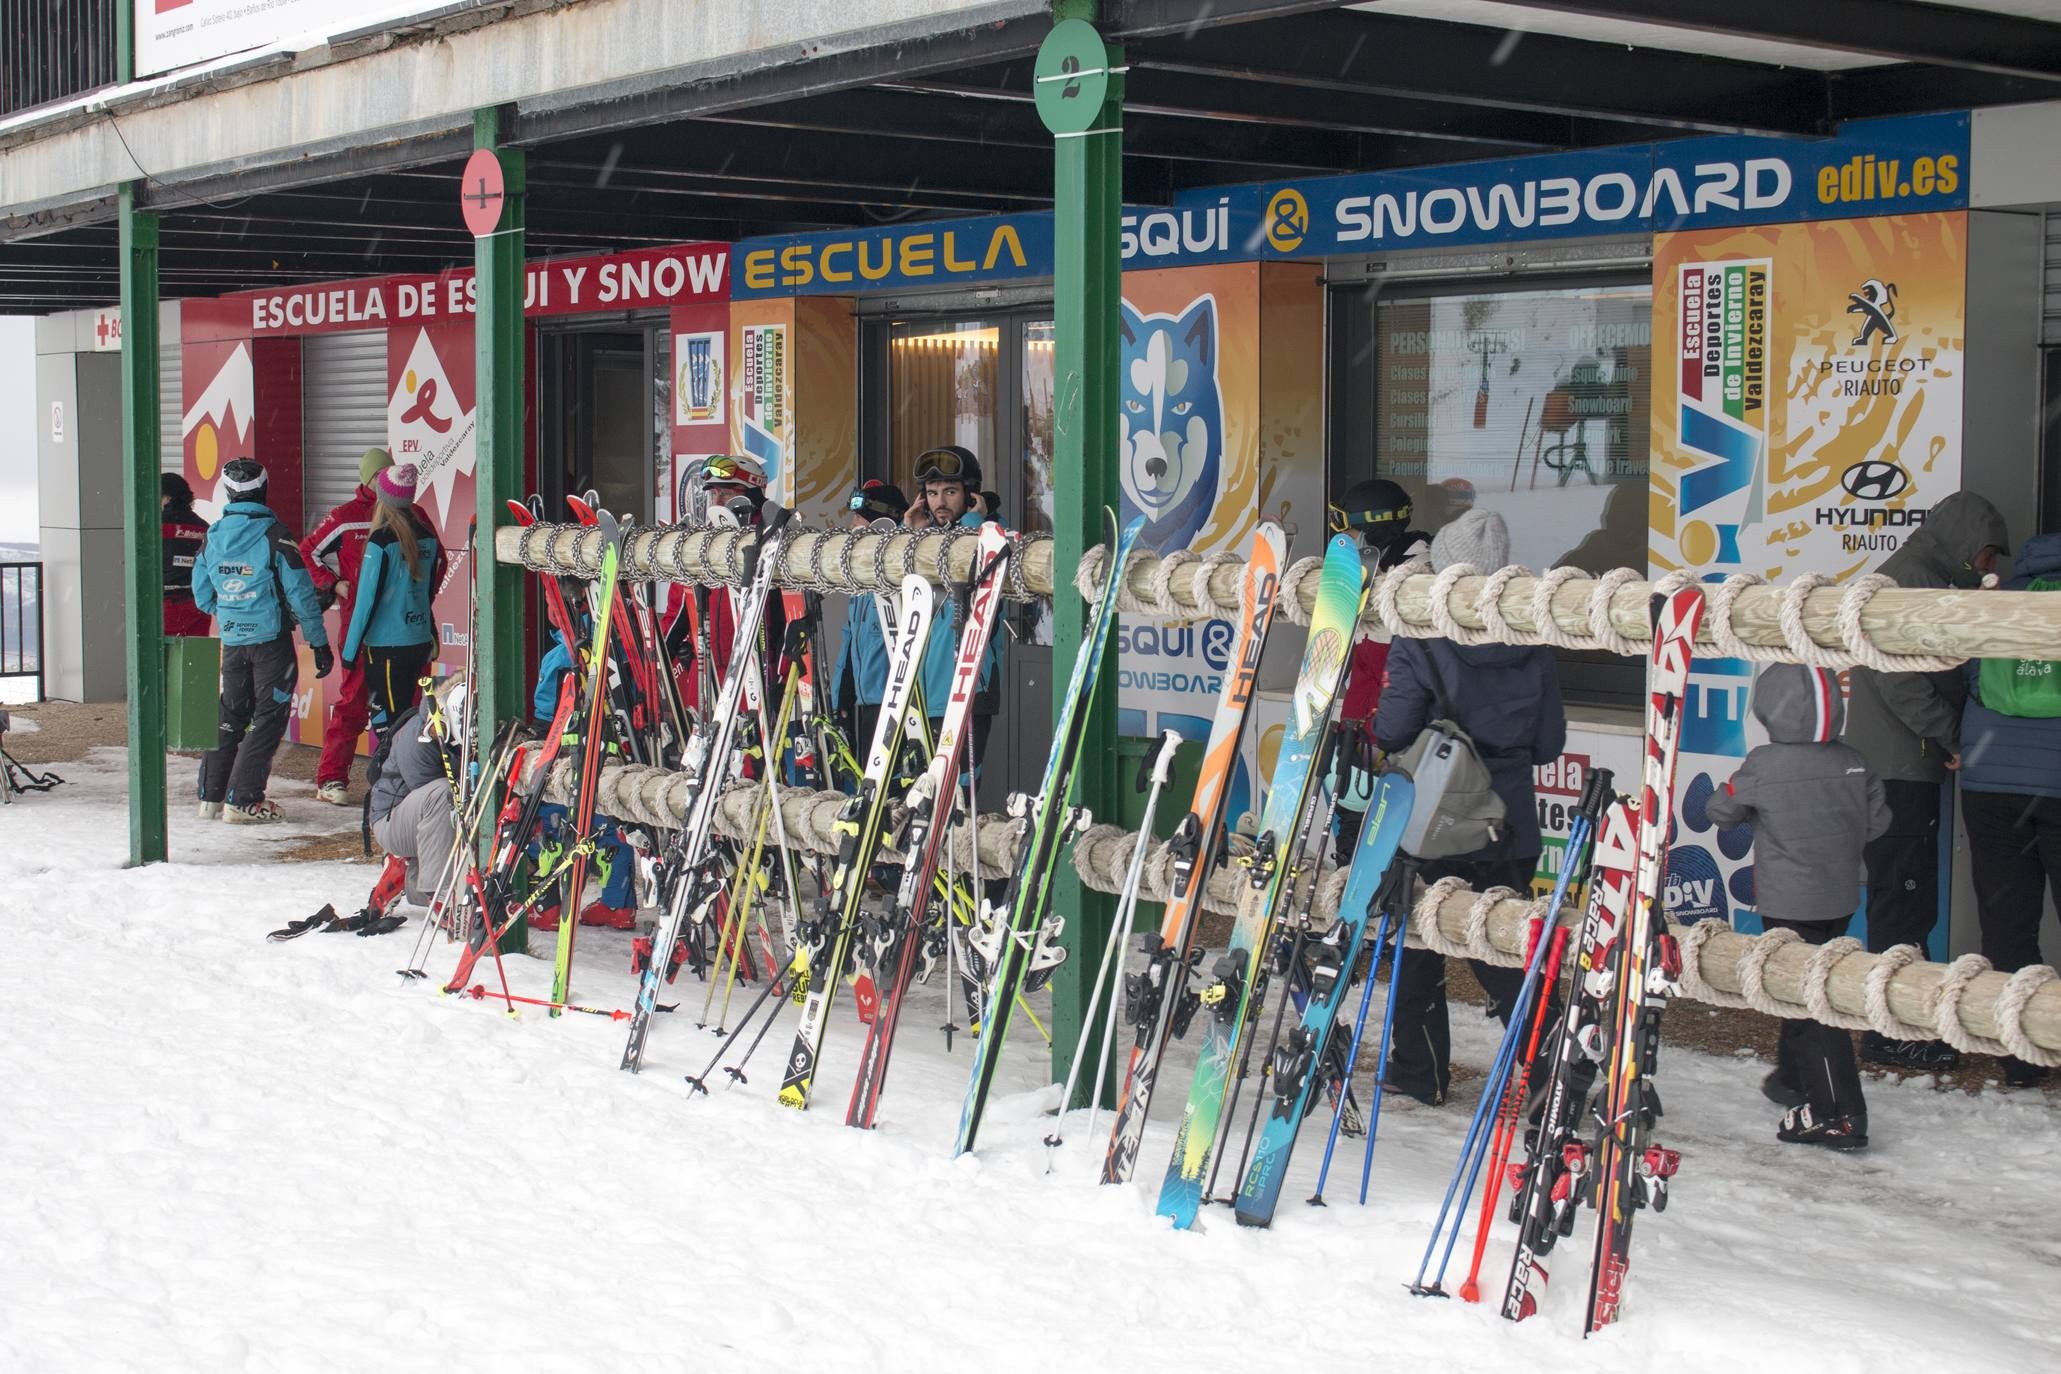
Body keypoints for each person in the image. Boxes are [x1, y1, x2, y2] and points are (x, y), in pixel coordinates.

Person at [1373, 508, 1565, 1104]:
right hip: (1508, 820)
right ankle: (1560, 1070)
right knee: (1506, 952)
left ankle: (1419, 1071)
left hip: (1431, 822)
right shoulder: (1530, 635)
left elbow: (1391, 728)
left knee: (1416, 946)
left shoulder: (1422, 635)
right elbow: (1549, 744)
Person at [1841, 490, 2009, 1071]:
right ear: (1965, 542)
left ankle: (1897, 1021)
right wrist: (1954, 735)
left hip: (1897, 764)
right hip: (1899, 768)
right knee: (1902, 898)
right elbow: (1901, 681)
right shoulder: (1912, 583)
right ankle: (1893, 1032)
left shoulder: (1915, 575)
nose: (1989, 570)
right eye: (1987, 556)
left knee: (1902, 896)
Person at [1706, 664, 1890, 1149]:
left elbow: (1720, 813)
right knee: (1804, 987)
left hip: (1788, 900)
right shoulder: (1853, 760)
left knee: (1810, 1004)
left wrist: (1734, 793)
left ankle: (1840, 1113)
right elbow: (1878, 823)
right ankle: (1793, 1079)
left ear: (1768, 709)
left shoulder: (1764, 764)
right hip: (1840, 897)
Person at [1956, 529, 2061, 1089]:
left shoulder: (2000, 600)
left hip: (1995, 783)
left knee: (2007, 921)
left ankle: (2018, 1057)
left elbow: (1971, 676)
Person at [190, 458, 332, 823]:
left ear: (228, 492)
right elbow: (301, 595)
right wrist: (318, 643)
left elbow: (202, 593)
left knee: (230, 713)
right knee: (268, 718)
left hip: (234, 640)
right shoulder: (276, 535)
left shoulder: (213, 535)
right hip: (271, 644)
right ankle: (244, 799)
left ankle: (211, 797)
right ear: (264, 490)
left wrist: (230, 612)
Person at [1328, 478, 1430, 865]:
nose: (1343, 538)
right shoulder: (1374, 567)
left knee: (1385, 849)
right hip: (1358, 731)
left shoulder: (1415, 575)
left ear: (1372, 526)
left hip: (1392, 738)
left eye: (1348, 527)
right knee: (1350, 843)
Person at [301, 447, 401, 806]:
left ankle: (401, 780)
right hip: (359, 630)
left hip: (401, 631)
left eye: (389, 474)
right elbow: (305, 551)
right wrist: (332, 583)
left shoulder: (407, 513)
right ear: (366, 480)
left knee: (403, 709)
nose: (384, 481)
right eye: (378, 476)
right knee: (353, 704)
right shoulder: (345, 516)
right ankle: (331, 779)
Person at [340, 463, 445, 754]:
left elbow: (365, 603)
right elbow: (426, 594)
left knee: (388, 725)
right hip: (418, 641)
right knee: (410, 719)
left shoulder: (381, 540)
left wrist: (349, 654)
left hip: (386, 648)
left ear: (383, 498)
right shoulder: (427, 535)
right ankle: (407, 784)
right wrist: (432, 632)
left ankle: (391, 788)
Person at [369, 674, 466, 908]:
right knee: (447, 796)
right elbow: (438, 807)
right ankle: (439, 894)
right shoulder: (418, 737)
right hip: (392, 820)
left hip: (424, 819)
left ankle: (411, 878)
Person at [830, 480, 905, 761]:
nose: (852, 524)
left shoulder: (900, 569)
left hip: (894, 703)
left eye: (859, 517)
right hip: (864, 703)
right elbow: (850, 644)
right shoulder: (864, 576)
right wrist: (841, 699)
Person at [160, 473, 212, 637]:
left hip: (162, 606)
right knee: (195, 659)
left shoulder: (156, 526)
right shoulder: (204, 528)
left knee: (159, 660)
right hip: (198, 606)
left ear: (167, 497)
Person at [904, 445, 988, 531]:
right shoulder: (919, 527)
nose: (940, 503)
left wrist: (973, 521)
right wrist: (910, 530)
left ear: (970, 496)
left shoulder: (996, 531)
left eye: (950, 492)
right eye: (932, 493)